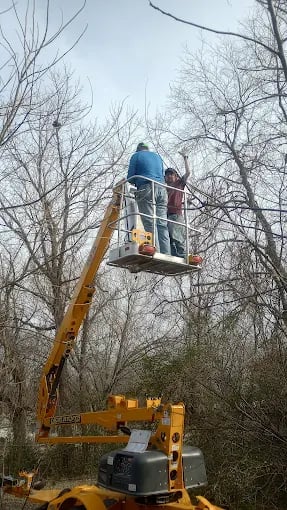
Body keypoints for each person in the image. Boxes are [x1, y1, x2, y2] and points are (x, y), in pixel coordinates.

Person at [127, 143, 170, 255]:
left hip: (147, 189)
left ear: (138, 150)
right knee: (162, 223)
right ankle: (166, 253)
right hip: (162, 190)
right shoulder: (157, 157)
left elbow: (130, 178)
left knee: (150, 221)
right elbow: (161, 174)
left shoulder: (136, 156)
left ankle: (155, 251)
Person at [164, 152, 191, 257]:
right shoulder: (163, 189)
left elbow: (188, 173)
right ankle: (173, 253)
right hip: (167, 215)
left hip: (176, 214)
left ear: (176, 176)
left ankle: (182, 253)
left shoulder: (179, 184)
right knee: (168, 235)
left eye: (172, 174)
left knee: (177, 235)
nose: (169, 176)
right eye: (167, 175)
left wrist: (185, 158)